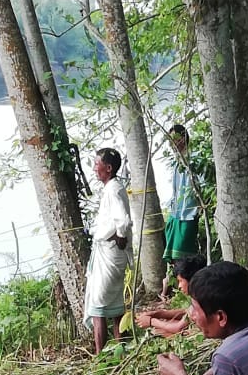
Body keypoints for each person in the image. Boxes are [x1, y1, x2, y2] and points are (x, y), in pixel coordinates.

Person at [83, 147, 132, 353]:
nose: (94, 169)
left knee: (99, 307)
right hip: (107, 253)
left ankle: (99, 356)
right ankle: (122, 351)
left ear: (109, 168)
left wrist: (119, 237)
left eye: (97, 164)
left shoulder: (114, 189)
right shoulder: (112, 187)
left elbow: (123, 220)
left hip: (110, 252)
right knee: (113, 305)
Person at [162, 124, 201, 298]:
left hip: (189, 213)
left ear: (184, 138)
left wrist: (201, 205)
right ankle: (169, 290)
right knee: (171, 255)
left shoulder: (195, 158)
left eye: (176, 138)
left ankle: (185, 291)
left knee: (183, 254)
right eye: (170, 140)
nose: (173, 143)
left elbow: (202, 185)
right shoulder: (175, 161)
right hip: (175, 213)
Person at [136, 254, 207, 337]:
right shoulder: (198, 294)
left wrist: (152, 321)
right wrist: (158, 313)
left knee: (160, 331)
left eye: (180, 281)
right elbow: (187, 312)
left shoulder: (201, 298)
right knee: (163, 326)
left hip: (198, 332)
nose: (179, 286)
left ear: (191, 280)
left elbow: (179, 328)